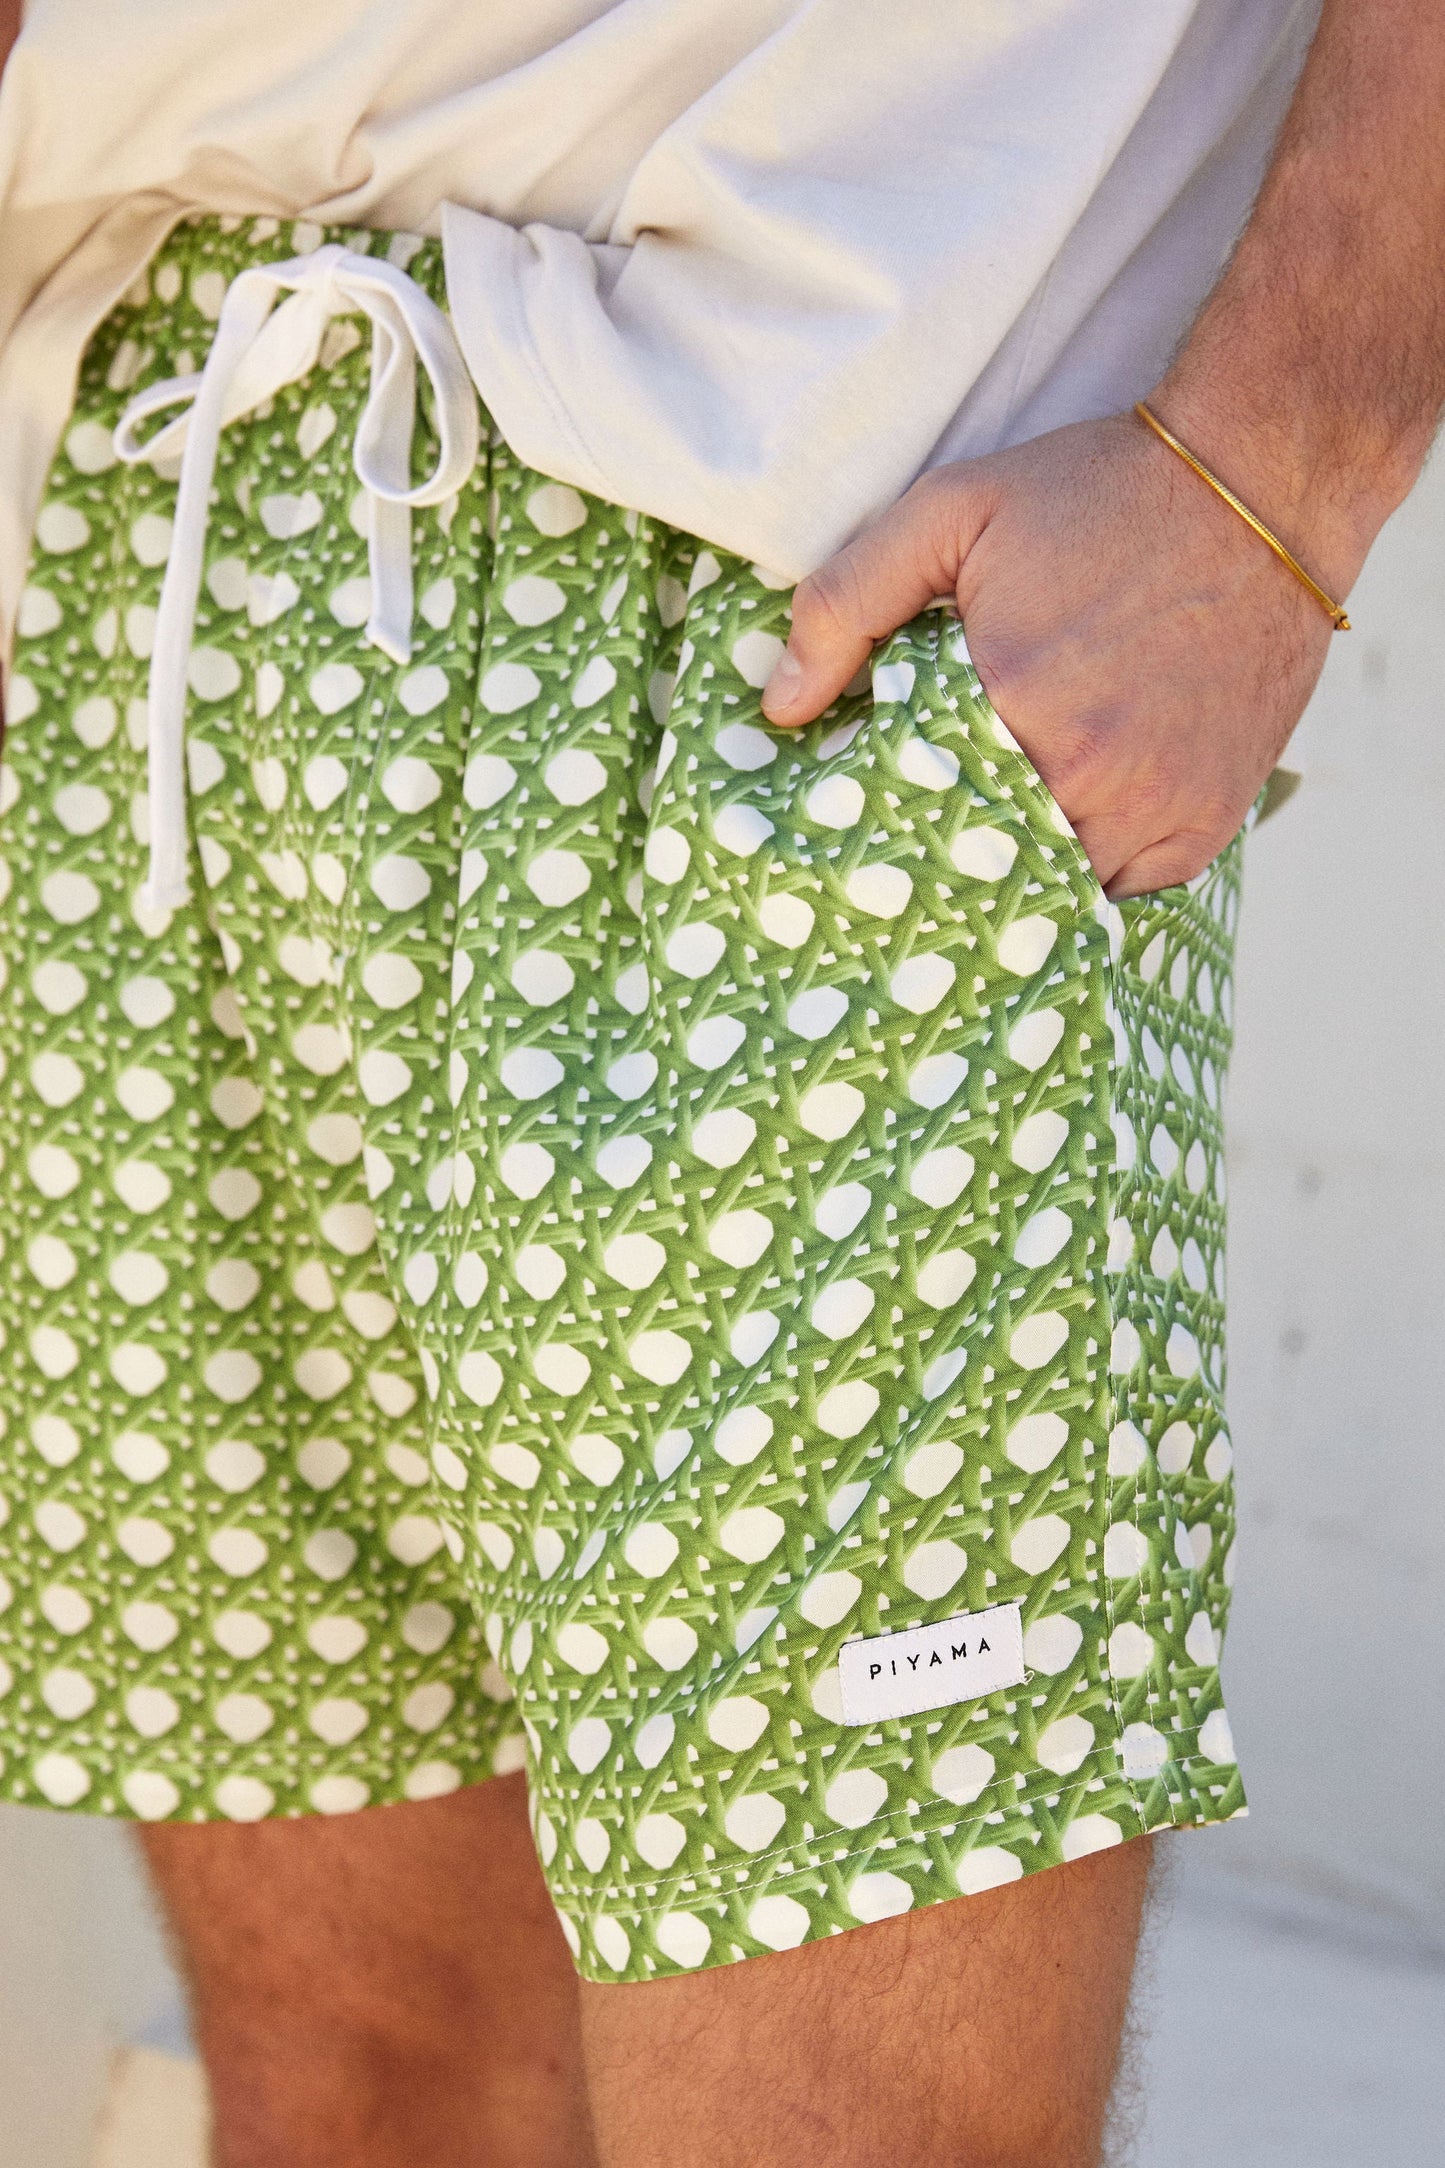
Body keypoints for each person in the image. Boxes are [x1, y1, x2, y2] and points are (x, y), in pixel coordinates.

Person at [0, 3, 1440, 2163]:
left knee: (863, 2132)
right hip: (166, 480)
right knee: (358, 2087)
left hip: (822, 555)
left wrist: (1282, 465)